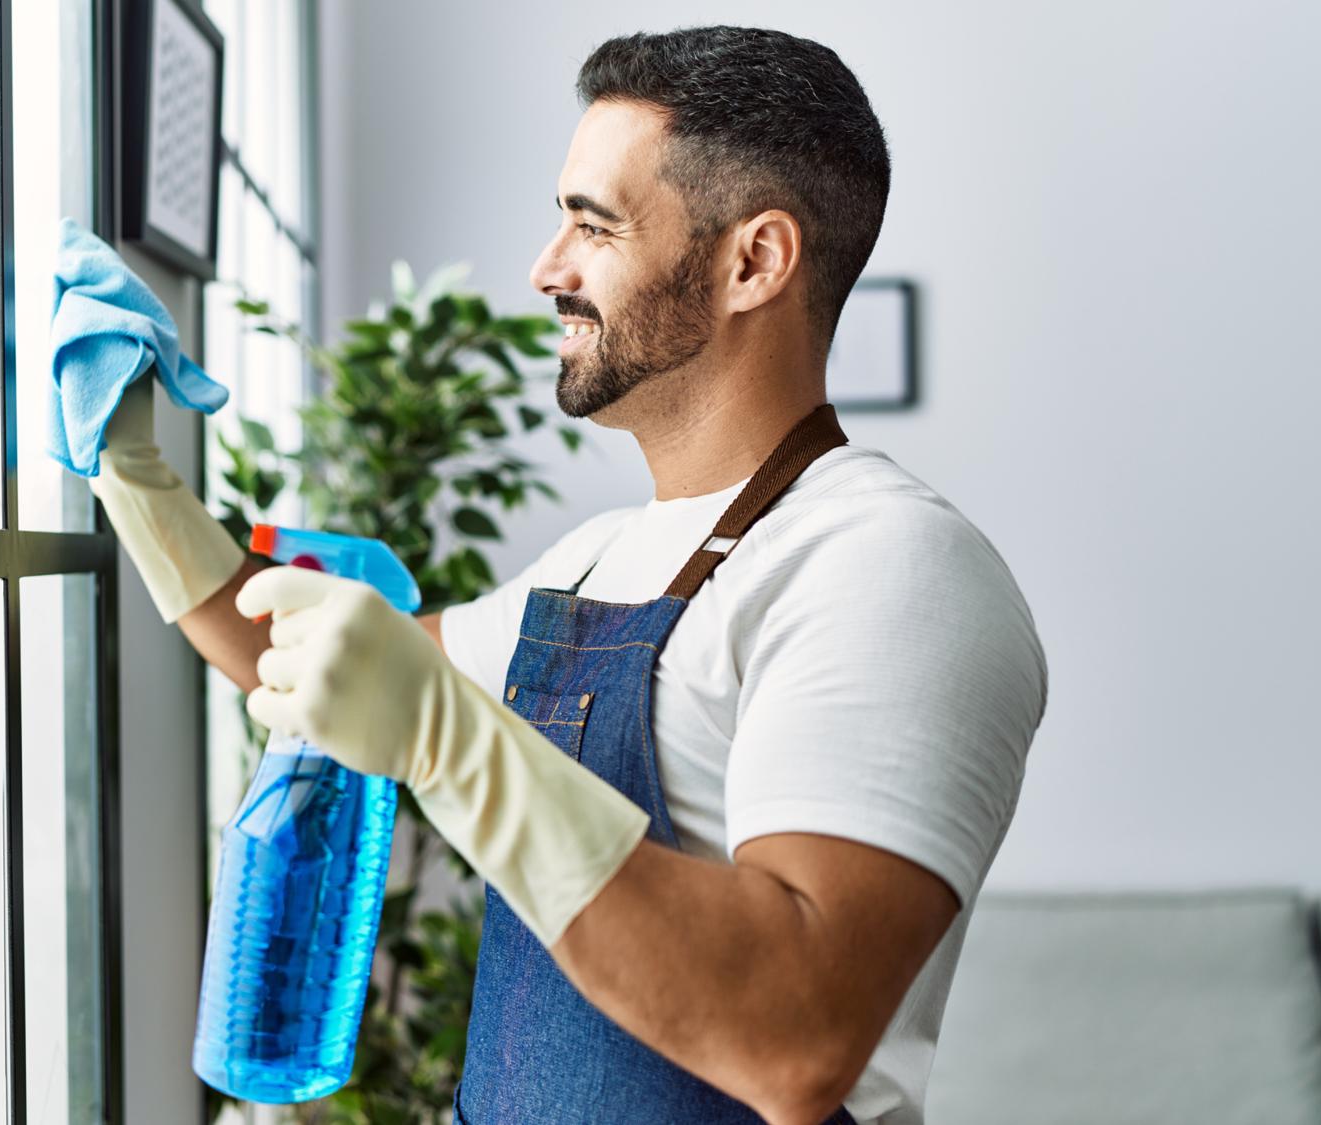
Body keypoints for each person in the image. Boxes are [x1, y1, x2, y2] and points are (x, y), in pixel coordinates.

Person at [89, 25, 1047, 1125]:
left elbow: (796, 1037)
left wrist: (449, 742)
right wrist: (135, 477)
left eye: (593, 225)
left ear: (753, 262)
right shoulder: (593, 562)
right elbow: (299, 663)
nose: (547, 269)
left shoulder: (884, 567)